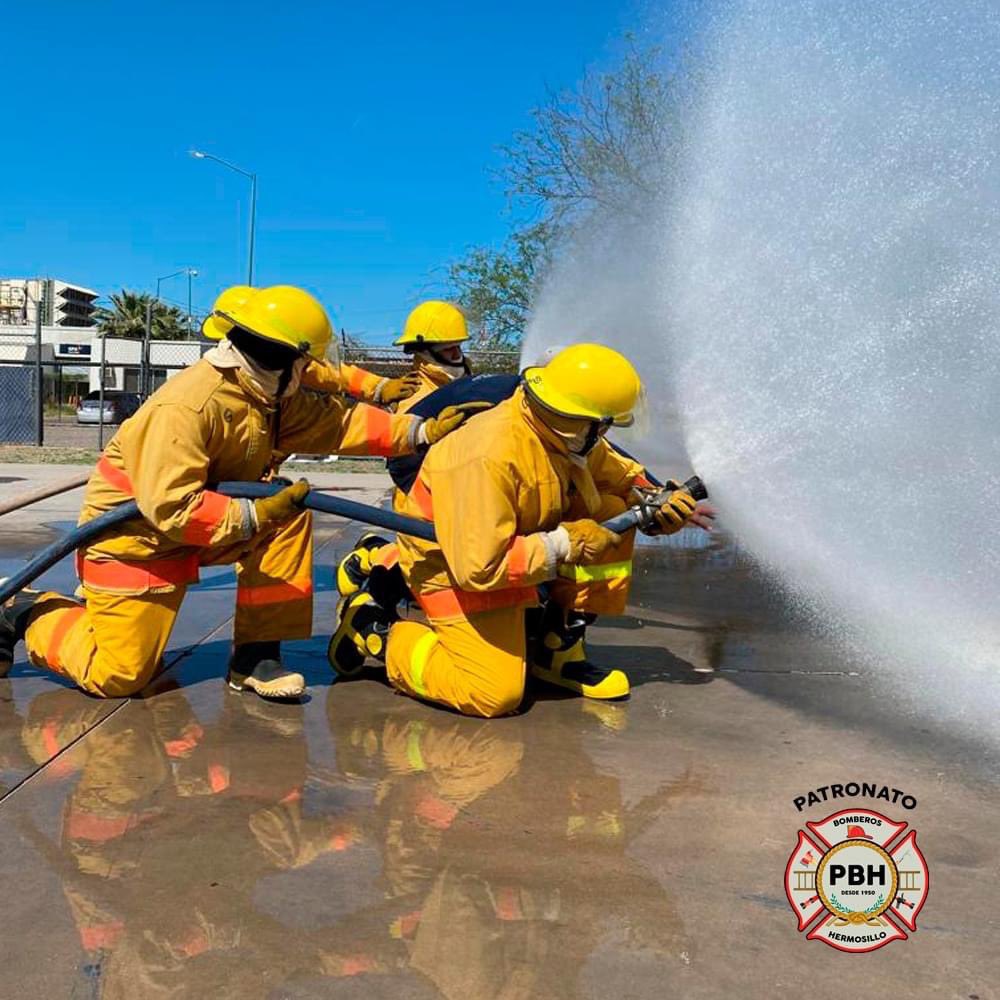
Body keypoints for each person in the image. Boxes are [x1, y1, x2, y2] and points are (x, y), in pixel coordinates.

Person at [0, 285, 476, 700]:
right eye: (305, 364)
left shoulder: (265, 395)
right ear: (285, 360)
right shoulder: (186, 408)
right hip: (134, 541)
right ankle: (23, 610)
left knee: (288, 518)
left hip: (198, 527)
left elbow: (336, 423)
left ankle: (256, 657)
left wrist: (418, 432)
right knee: (118, 675)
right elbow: (173, 506)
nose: (310, 373)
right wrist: (254, 514)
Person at [329, 343, 714, 717]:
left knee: (611, 508)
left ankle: (557, 647)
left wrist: (657, 501)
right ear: (578, 418)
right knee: (492, 692)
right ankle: (373, 629)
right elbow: (478, 567)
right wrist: (565, 543)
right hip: (448, 563)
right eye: (602, 424)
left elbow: (619, 474)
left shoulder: (564, 432)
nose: (604, 432)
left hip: (506, 546)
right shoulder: (486, 454)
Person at [334, 299, 474, 594]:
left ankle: (376, 551)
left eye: (459, 347)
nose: (457, 355)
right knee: (429, 570)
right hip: (422, 500)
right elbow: (403, 461)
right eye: (449, 349)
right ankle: (372, 556)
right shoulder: (414, 396)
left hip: (461, 493)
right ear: (424, 352)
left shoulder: (467, 385)